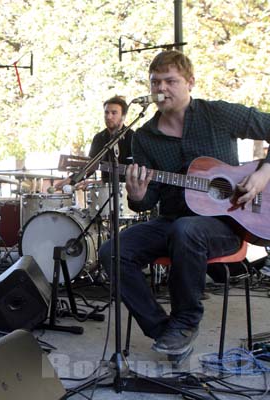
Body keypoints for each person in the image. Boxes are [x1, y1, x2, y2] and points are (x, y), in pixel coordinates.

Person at [99, 50, 270, 360]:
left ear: (190, 82)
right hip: (173, 221)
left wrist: (262, 174)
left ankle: (185, 320)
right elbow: (147, 201)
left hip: (227, 223)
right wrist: (137, 195)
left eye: (170, 81)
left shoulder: (217, 115)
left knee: (186, 229)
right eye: (155, 82)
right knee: (112, 251)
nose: (161, 88)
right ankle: (165, 329)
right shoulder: (145, 137)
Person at [55, 95, 133, 191]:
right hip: (104, 193)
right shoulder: (99, 138)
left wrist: (102, 182)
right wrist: (71, 180)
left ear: (123, 116)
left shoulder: (133, 138)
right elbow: (90, 167)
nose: (109, 117)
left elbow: (133, 174)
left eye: (114, 113)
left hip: (127, 193)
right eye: (106, 112)